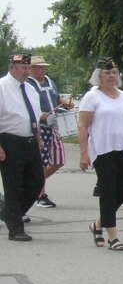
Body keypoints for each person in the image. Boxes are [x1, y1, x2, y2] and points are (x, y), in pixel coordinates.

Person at [77, 57, 123, 250]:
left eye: (113, 73)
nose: (111, 76)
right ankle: (113, 237)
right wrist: (83, 153)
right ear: (99, 76)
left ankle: (98, 225)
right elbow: (83, 125)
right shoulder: (92, 96)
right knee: (108, 191)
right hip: (102, 149)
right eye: (106, 73)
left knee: (122, 192)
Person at [0, 52, 45, 241]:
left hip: (30, 140)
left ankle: (9, 213)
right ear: (12, 67)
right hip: (9, 141)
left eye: (28, 68)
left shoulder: (30, 89)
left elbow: (33, 114)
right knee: (13, 186)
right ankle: (16, 228)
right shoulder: (2, 87)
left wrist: (38, 136)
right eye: (23, 68)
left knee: (36, 182)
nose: (27, 71)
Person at [28, 55, 68, 208]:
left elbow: (56, 98)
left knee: (58, 160)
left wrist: (64, 103)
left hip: (54, 124)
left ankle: (34, 184)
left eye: (43, 67)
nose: (42, 69)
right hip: (40, 126)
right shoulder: (28, 84)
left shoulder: (49, 81)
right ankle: (40, 193)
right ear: (31, 69)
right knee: (42, 161)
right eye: (39, 67)